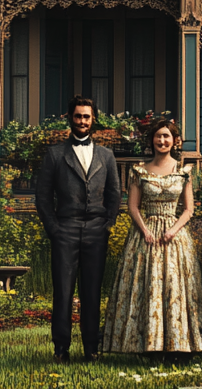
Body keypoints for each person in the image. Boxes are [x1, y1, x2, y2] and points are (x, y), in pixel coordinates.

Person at [103, 118, 202, 356]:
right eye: (158, 136)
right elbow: (133, 207)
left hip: (174, 235)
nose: (162, 140)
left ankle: (179, 344)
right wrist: (145, 230)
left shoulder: (183, 171)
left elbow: (189, 209)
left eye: (167, 136)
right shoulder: (140, 170)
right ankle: (147, 344)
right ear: (152, 141)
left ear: (175, 140)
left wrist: (173, 230)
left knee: (175, 287)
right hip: (146, 234)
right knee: (147, 286)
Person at [35, 95, 122, 362]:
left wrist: (107, 225)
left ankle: (91, 347)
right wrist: (54, 229)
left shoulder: (107, 156)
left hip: (97, 231)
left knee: (92, 292)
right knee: (63, 291)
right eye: (77, 116)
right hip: (65, 229)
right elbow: (42, 196)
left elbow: (114, 194)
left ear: (93, 118)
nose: (82, 121)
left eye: (86, 116)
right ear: (69, 118)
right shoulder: (55, 154)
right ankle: (61, 348)